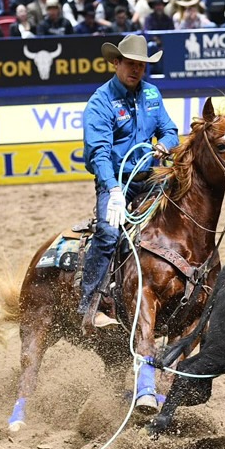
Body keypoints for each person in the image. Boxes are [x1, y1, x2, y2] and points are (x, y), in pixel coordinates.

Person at [79, 33, 179, 333]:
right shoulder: (100, 102)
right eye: (131, 64)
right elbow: (98, 153)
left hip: (150, 177)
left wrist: (165, 144)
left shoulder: (152, 94)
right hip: (116, 181)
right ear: (116, 63)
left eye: (141, 65)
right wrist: (112, 189)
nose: (136, 70)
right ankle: (90, 305)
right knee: (109, 233)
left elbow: (170, 131)